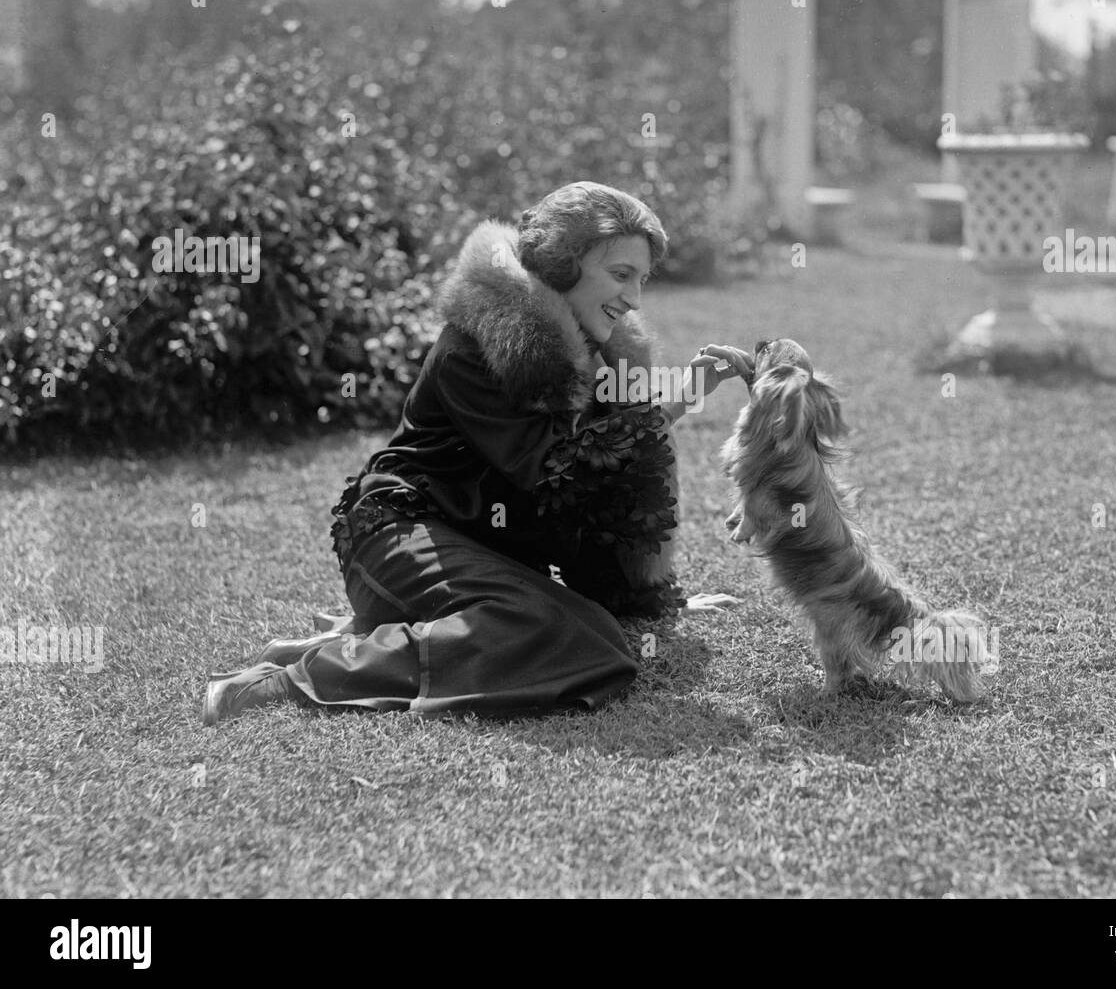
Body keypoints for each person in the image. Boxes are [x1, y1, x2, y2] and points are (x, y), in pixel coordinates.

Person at [202, 181, 752, 724]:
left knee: (594, 631)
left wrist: (642, 597)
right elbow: (560, 473)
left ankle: (359, 638)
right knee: (562, 634)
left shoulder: (601, 354)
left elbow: (605, 499)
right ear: (562, 265)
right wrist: (665, 411)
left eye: (642, 280)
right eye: (621, 275)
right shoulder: (478, 347)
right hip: (398, 533)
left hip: (484, 552)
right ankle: (289, 680)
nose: (634, 299)